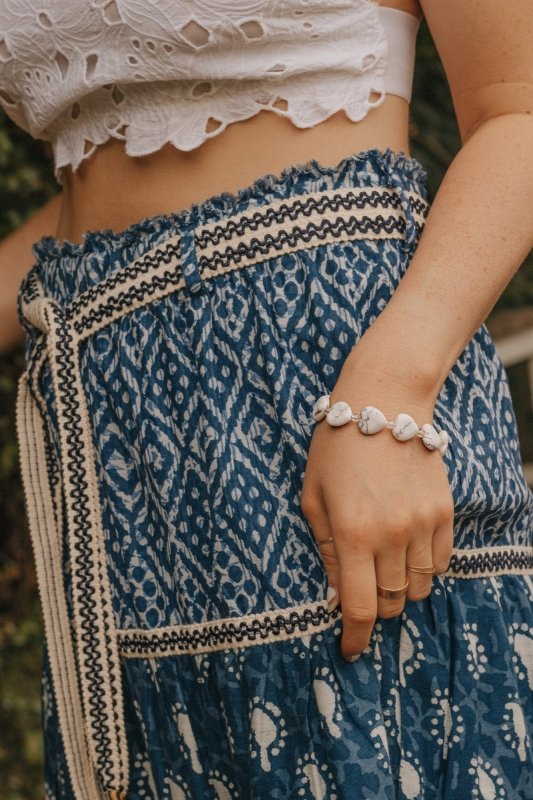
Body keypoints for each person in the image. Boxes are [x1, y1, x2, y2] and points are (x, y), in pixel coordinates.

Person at [1, 0, 532, 797]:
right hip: (111, 421)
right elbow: (129, 169)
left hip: (329, 381)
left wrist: (388, 391)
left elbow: (517, 110)